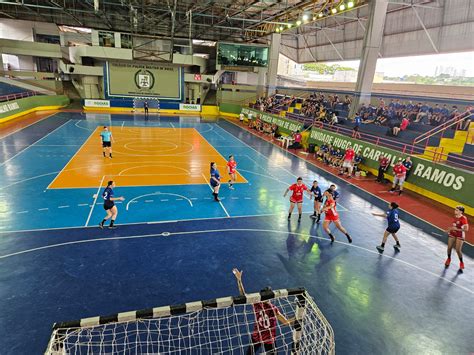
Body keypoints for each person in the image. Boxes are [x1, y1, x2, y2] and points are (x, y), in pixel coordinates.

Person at [232, 269, 294, 355]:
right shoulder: (273, 308)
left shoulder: (256, 303)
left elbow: (243, 295)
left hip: (257, 337)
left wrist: (239, 280)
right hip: (269, 339)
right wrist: (298, 318)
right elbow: (286, 322)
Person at [445, 206, 469, 271]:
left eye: (457, 210)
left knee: (458, 250)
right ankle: (449, 259)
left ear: (461, 212)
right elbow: (454, 226)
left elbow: (466, 229)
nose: (455, 211)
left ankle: (461, 262)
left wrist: (457, 229)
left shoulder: (463, 218)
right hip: (453, 233)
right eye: (455, 210)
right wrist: (450, 229)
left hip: (460, 235)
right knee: (449, 247)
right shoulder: (455, 216)